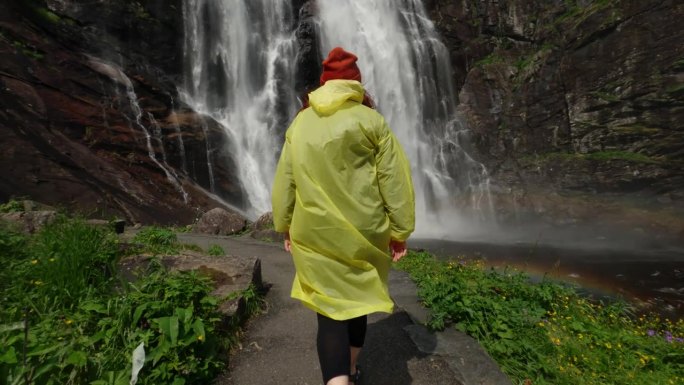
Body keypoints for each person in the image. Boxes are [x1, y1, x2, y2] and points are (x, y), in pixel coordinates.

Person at [271, 46, 415, 385]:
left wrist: (285, 225)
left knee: (330, 314)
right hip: (365, 233)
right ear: (357, 86)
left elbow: (285, 182)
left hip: (314, 233)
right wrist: (400, 229)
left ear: (323, 85)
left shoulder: (301, 122)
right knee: (357, 301)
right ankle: (349, 372)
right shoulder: (372, 122)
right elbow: (396, 182)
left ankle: (340, 380)